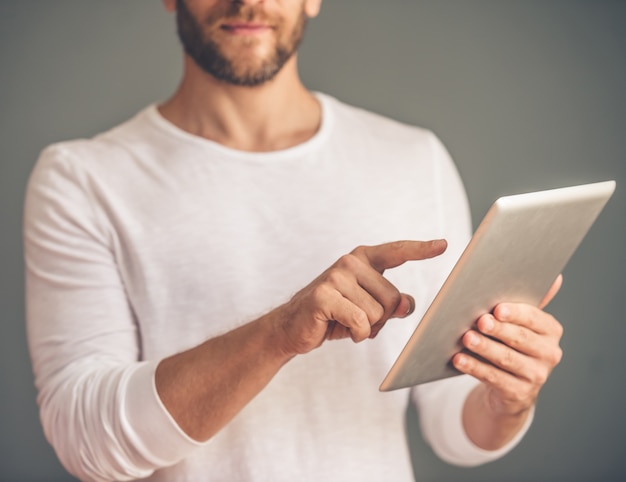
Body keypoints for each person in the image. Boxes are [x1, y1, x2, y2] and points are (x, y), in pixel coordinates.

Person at [23, 1, 564, 481]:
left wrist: (507, 397)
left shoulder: (412, 159)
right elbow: (85, 442)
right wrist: (278, 334)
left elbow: (452, 423)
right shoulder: (83, 178)